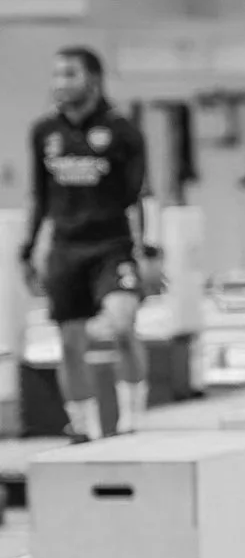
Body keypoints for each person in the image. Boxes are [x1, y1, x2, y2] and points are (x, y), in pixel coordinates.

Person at [22, 48, 153, 441]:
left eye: (69, 74)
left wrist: (147, 251)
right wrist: (29, 250)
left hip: (111, 244)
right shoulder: (45, 132)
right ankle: (84, 426)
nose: (60, 82)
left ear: (92, 79)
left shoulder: (122, 132)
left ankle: (132, 418)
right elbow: (40, 197)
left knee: (122, 324)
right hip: (66, 247)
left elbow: (140, 196)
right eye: (56, 74)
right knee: (70, 341)